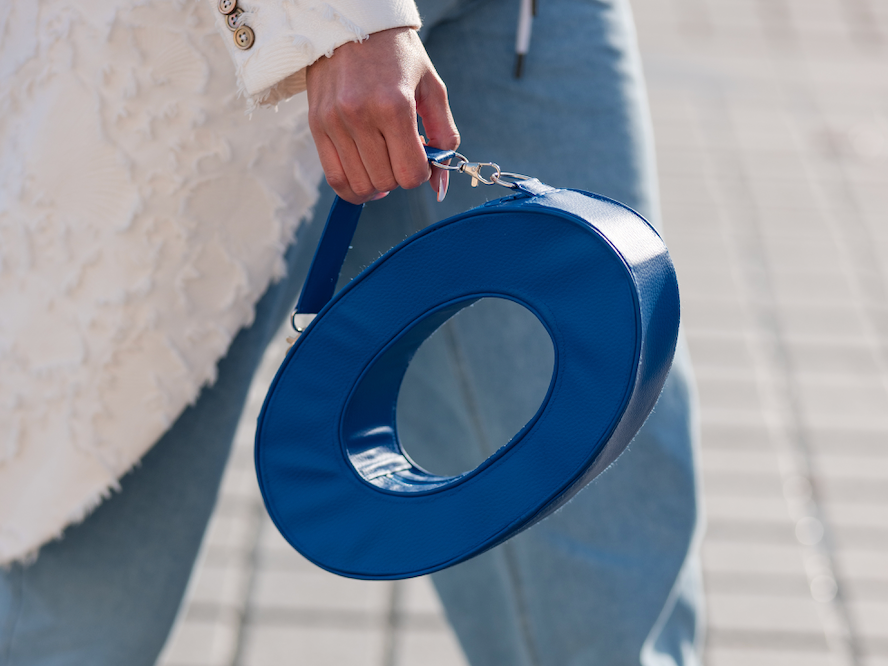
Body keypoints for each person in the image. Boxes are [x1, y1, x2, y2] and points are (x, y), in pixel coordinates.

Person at [0, 0, 703, 664]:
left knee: (606, 578)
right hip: (234, 45)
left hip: (520, 18)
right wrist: (343, 20)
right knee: (78, 579)